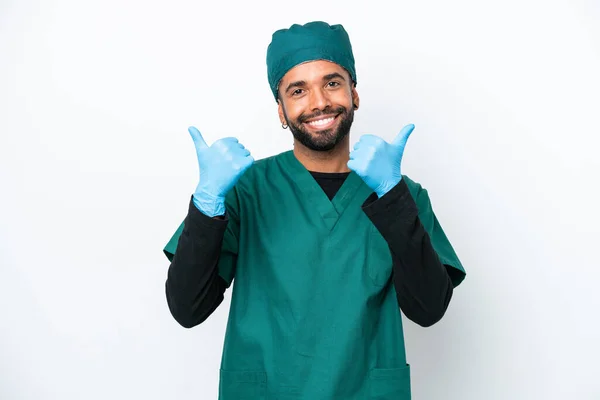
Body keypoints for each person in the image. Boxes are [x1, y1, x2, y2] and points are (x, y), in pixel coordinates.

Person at [163, 21, 466, 400]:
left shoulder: (402, 196)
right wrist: (206, 205)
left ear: (354, 93)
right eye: (298, 90)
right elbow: (187, 308)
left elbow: (428, 309)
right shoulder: (245, 192)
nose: (319, 101)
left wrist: (393, 199)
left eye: (332, 82)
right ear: (281, 110)